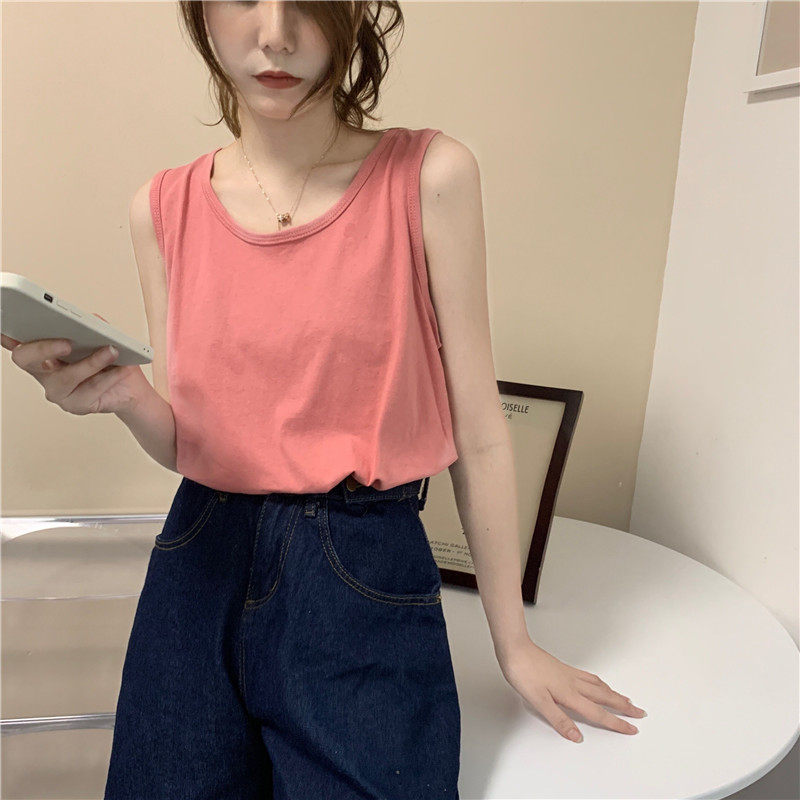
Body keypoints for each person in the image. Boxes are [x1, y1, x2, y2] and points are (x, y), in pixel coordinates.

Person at [3, 1, 646, 797]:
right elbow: (193, 442)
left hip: (360, 560)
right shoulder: (161, 206)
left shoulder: (429, 176)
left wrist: (512, 644)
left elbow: (479, 433)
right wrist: (125, 395)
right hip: (199, 559)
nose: (276, 33)